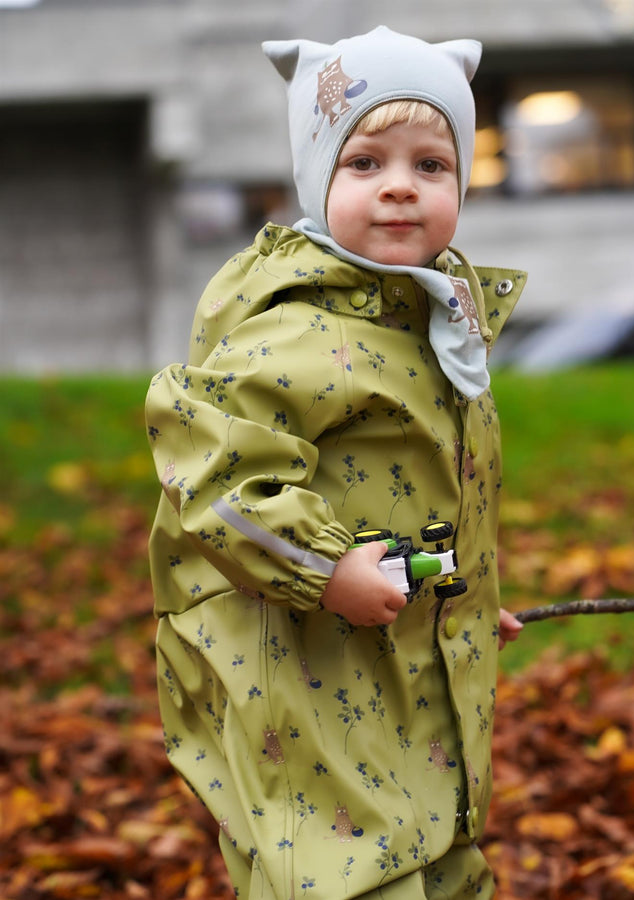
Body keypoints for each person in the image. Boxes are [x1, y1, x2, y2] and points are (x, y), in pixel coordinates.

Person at [145, 26, 525, 899]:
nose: (400, 186)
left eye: (432, 165)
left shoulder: (429, 323)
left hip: (404, 660)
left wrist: (459, 592)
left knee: (442, 850)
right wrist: (320, 565)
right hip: (309, 670)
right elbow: (219, 483)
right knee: (340, 868)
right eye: (365, 164)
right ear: (318, 179)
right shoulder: (291, 327)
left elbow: (432, 487)